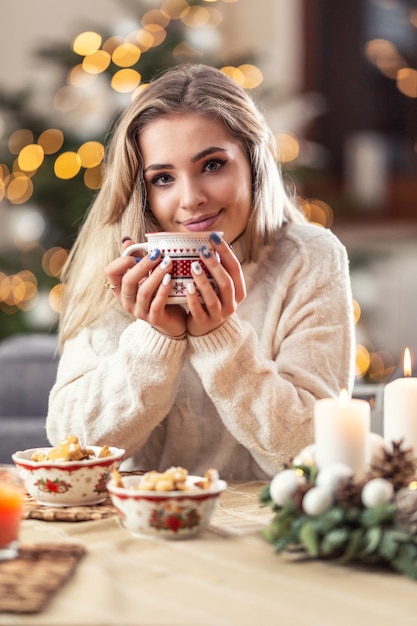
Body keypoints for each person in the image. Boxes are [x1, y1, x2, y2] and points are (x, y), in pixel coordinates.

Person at [46, 63, 355, 480]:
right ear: (142, 191)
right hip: (136, 526)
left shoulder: (308, 259)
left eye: (211, 165)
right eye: (163, 178)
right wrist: (156, 339)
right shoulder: (121, 267)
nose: (190, 199)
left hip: (265, 528)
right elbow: (71, 446)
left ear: (253, 161)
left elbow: (316, 454)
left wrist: (220, 341)